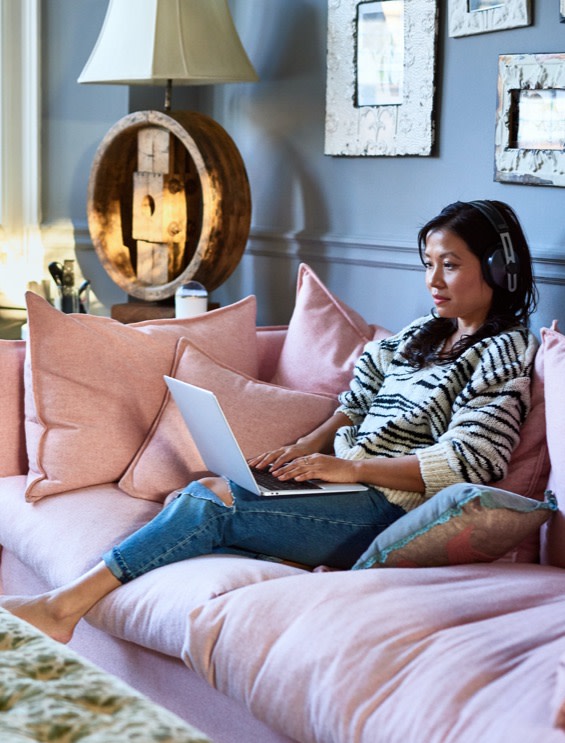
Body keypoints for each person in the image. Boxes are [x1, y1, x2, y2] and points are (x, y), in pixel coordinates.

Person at [0, 200, 539, 644]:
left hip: (385, 509)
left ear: (497, 268)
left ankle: (62, 607)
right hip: (341, 485)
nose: (433, 280)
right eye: (427, 263)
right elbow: (357, 397)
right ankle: (266, 546)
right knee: (203, 489)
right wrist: (307, 448)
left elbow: (472, 460)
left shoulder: (504, 350)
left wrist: (350, 471)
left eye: (450, 264)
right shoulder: (425, 332)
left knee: (213, 505)